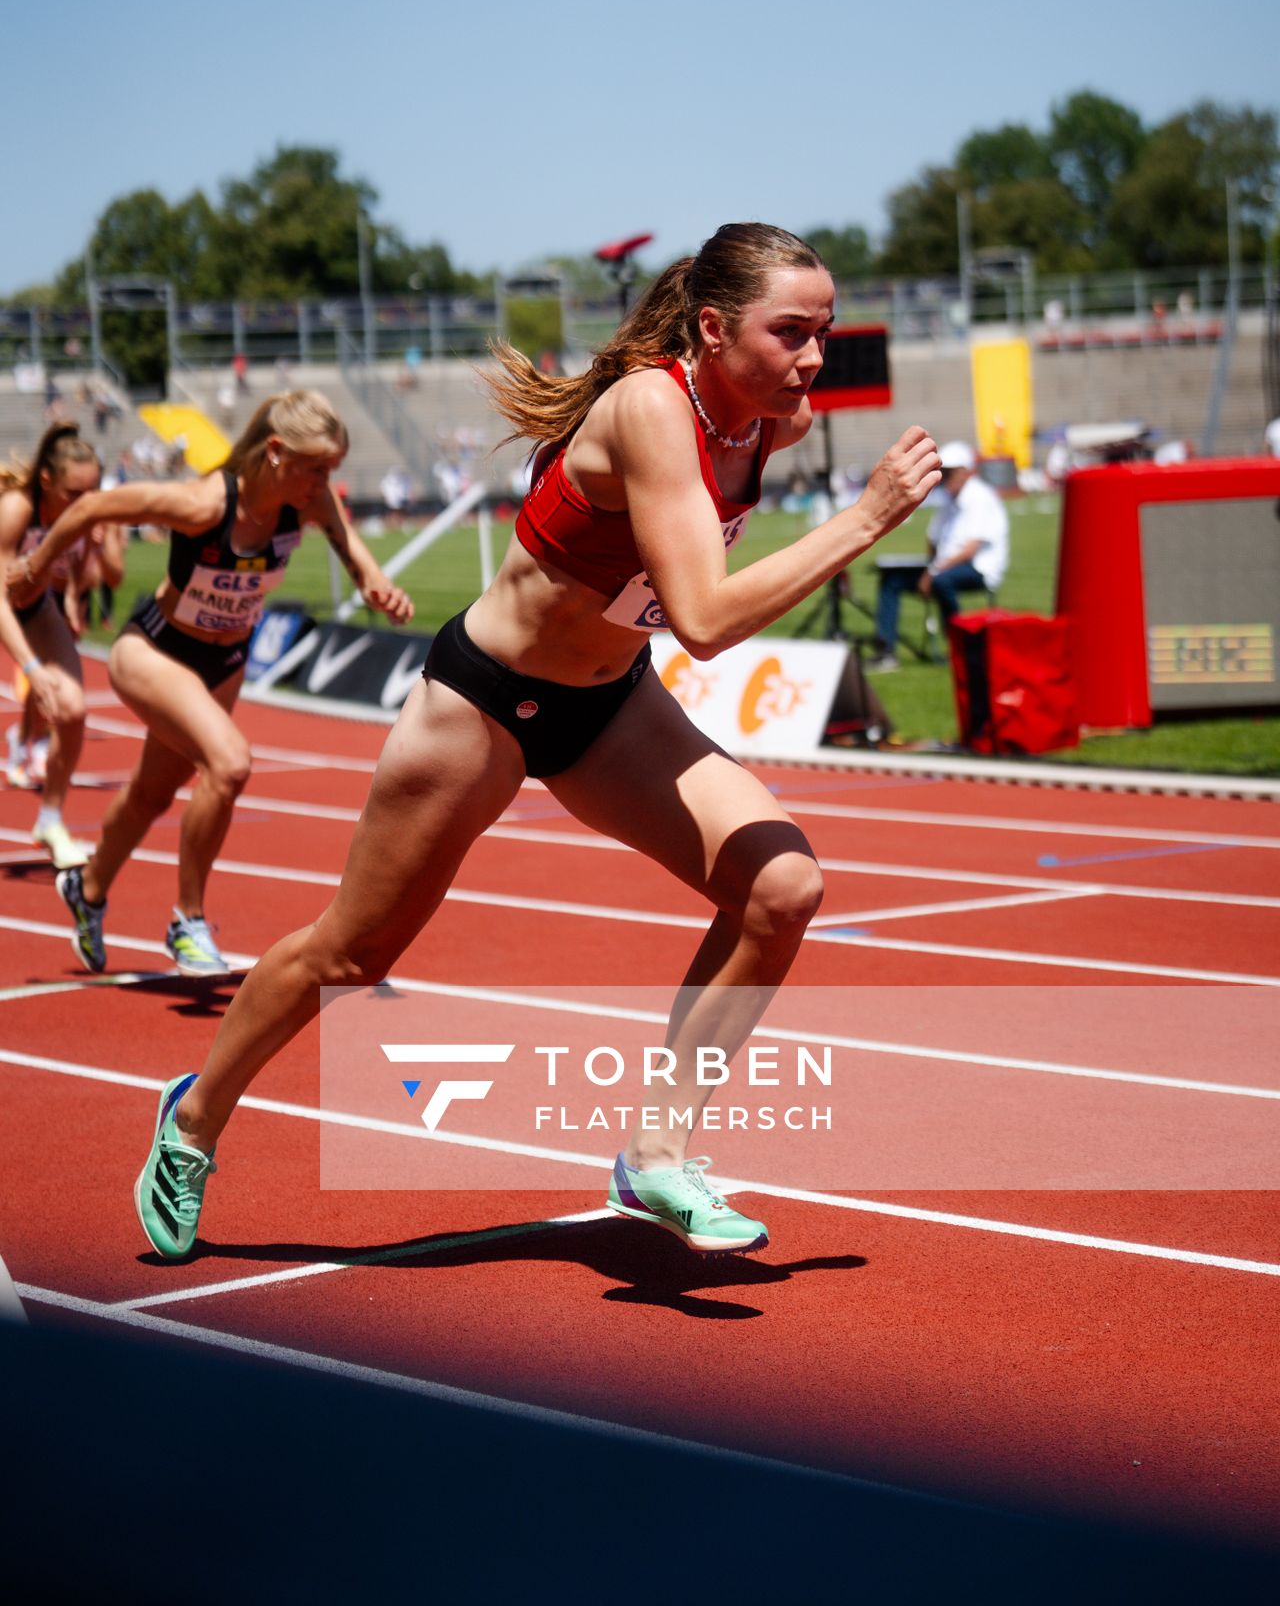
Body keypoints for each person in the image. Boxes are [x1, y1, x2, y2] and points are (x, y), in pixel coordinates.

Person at [124, 223, 940, 1263]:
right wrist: (865, 518)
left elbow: (662, 609)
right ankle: (193, 1116)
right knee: (352, 949)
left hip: (607, 707)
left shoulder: (769, 423)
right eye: (789, 333)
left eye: (821, 333)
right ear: (709, 327)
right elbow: (700, 615)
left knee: (780, 889)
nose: (811, 357)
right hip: (484, 702)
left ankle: (654, 1151)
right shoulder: (651, 407)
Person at [6, 390, 413, 978]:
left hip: (224, 665)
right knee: (229, 764)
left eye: (333, 469)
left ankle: (88, 888)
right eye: (317, 467)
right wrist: (36, 566)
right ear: (276, 452)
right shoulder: (202, 503)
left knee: (151, 793)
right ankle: (187, 921)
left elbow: (360, 561)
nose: (327, 482)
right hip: (153, 650)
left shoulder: (311, 501)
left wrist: (379, 588)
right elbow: (94, 509)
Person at [0, 425, 123, 866]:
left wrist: (72, 594)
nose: (86, 503)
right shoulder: (17, 509)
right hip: (5, 608)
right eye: (75, 492)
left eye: (93, 491)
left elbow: (89, 573)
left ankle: (50, 819)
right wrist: (32, 670)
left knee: (72, 711)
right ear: (48, 482)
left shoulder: (81, 514)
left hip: (36, 609)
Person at [872, 439, 1008, 669]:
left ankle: (960, 647)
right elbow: (933, 537)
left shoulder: (980, 497)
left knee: (943, 582)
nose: (944, 477)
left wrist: (932, 572)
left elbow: (970, 550)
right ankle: (886, 650)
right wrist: (930, 566)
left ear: (965, 472)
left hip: (978, 568)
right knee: (891, 580)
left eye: (949, 472)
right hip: (946, 566)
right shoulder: (949, 498)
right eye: (942, 471)